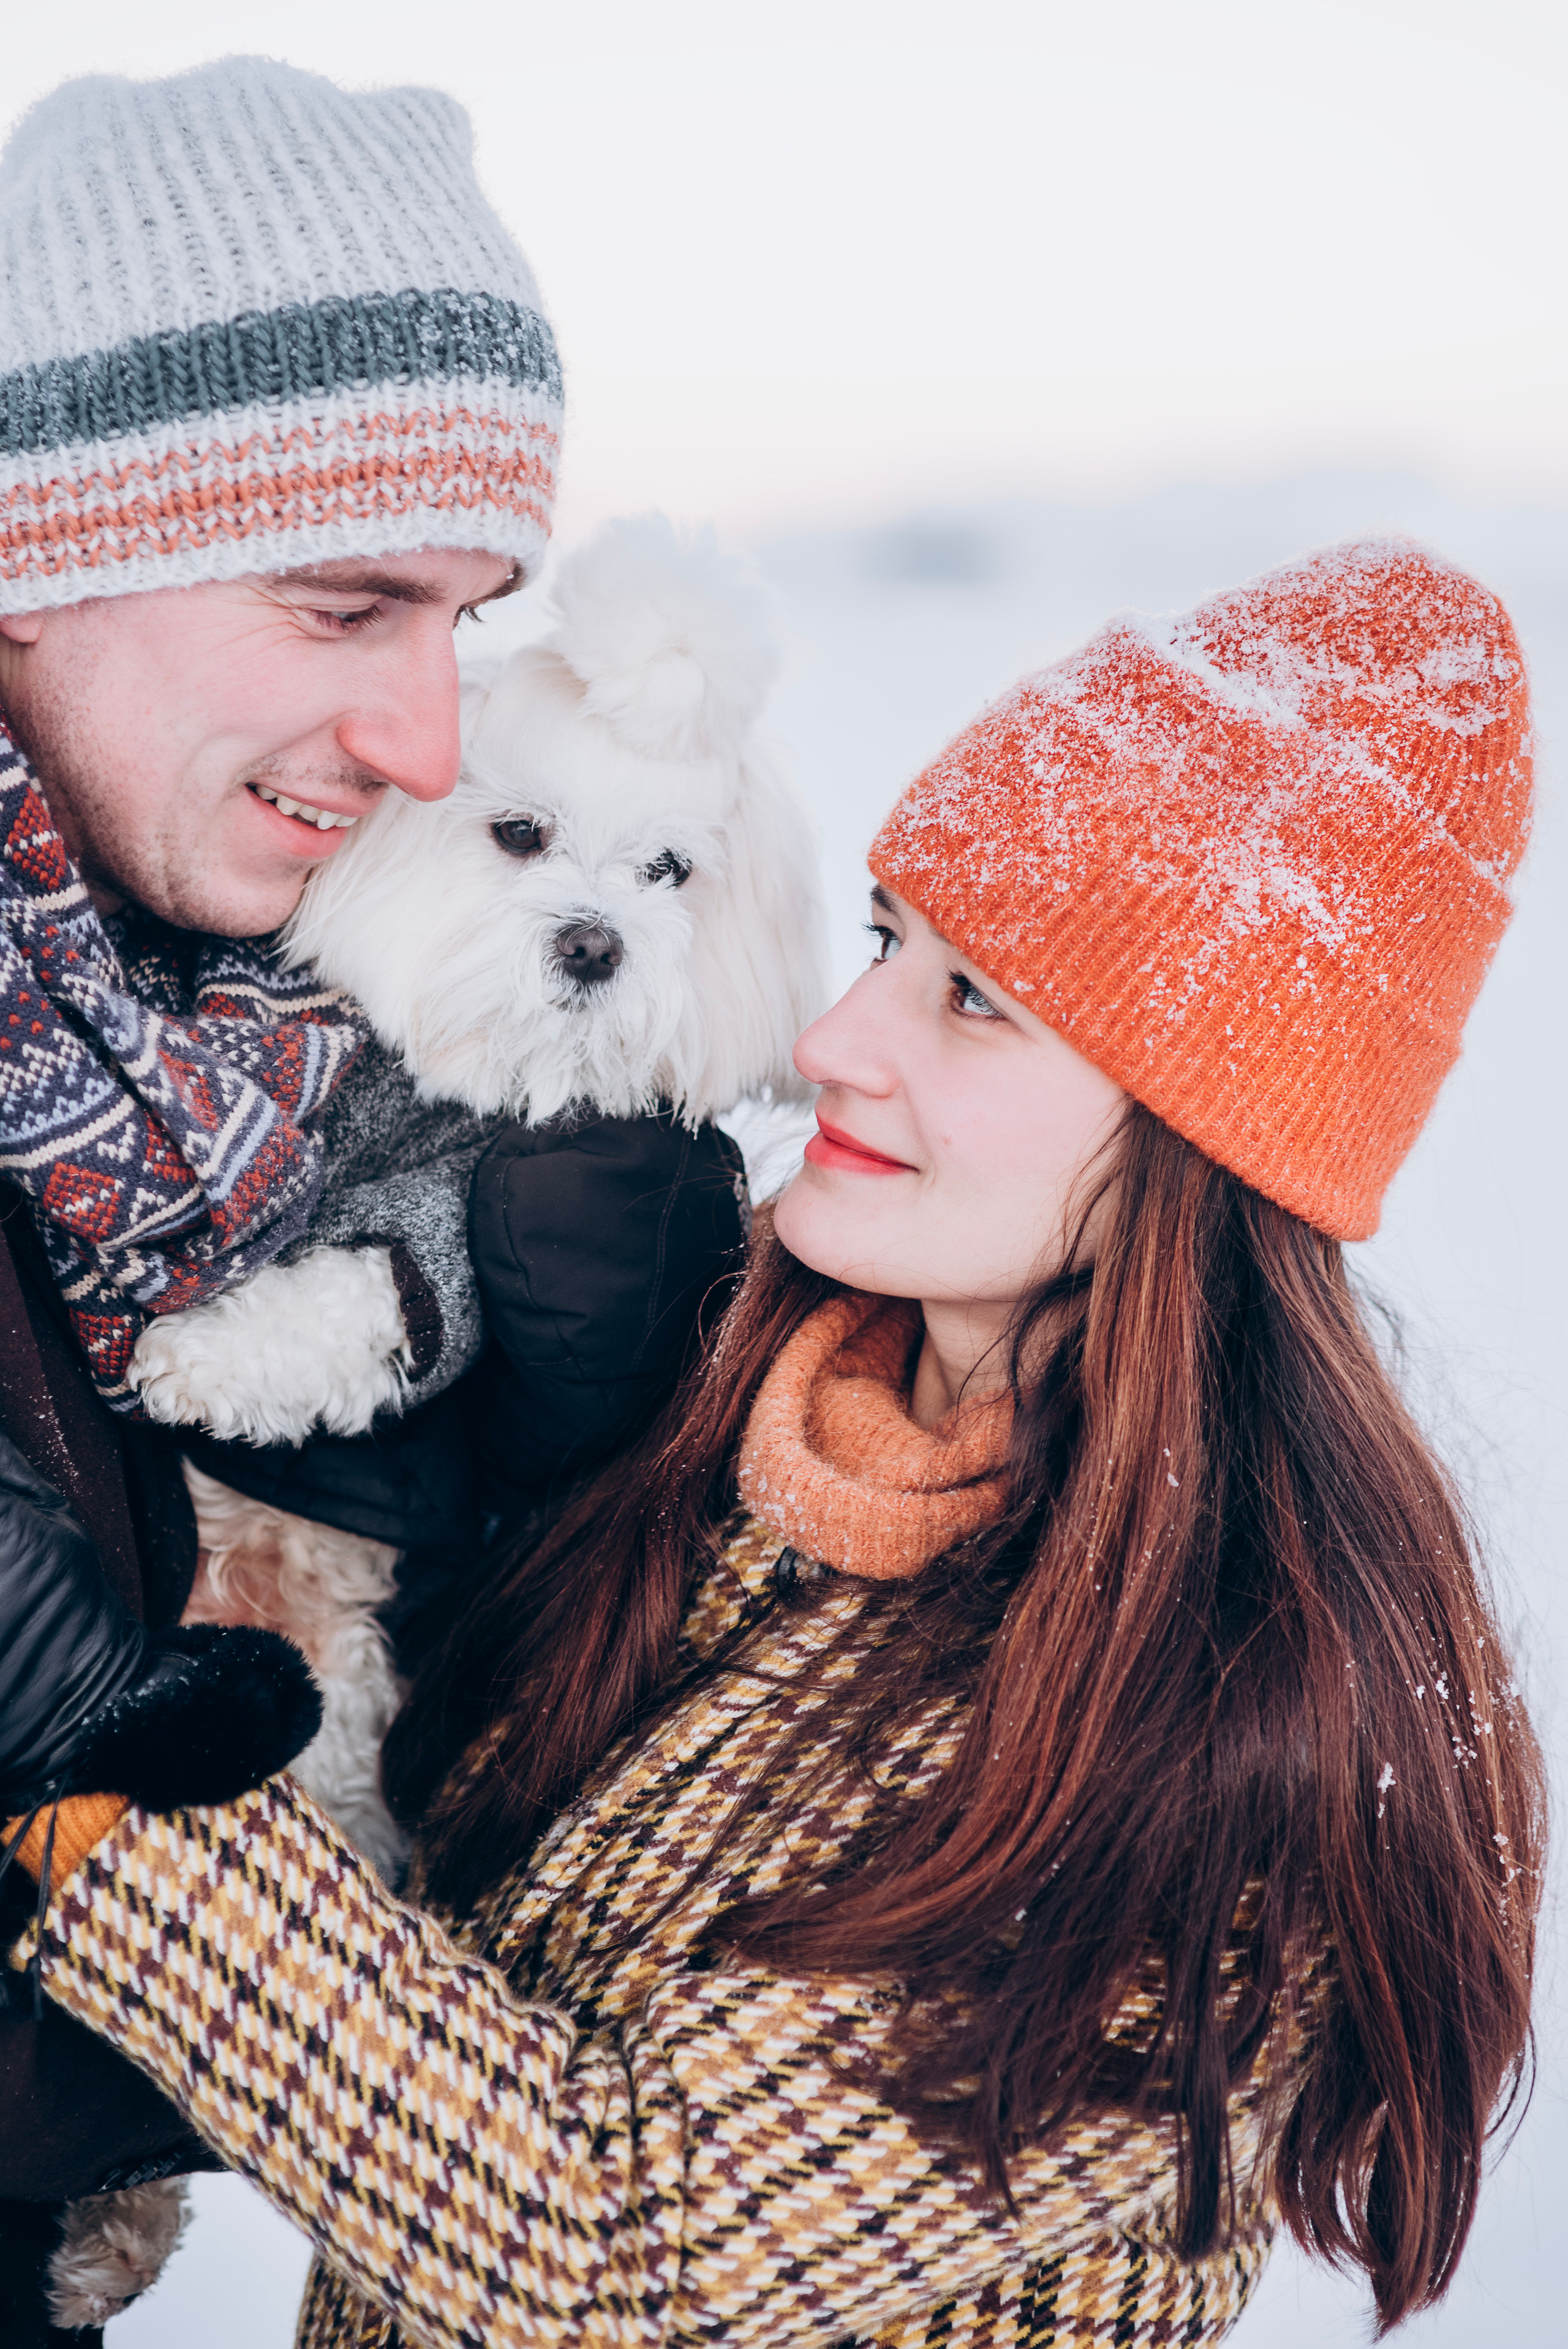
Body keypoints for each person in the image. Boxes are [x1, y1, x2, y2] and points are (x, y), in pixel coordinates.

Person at [2, 537, 1545, 2347]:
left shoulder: (1220, 1731)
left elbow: (608, 2246)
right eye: (889, 939)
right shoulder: (761, 1440)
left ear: (1211, 1145)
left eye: (975, 1001)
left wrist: (89, 1748)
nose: (834, 1035)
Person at [0, 56, 743, 2345]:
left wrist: (552, 1467)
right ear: (38, 540)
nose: (432, 741)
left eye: (467, 621)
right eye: (349, 610)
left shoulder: (227, 1038)